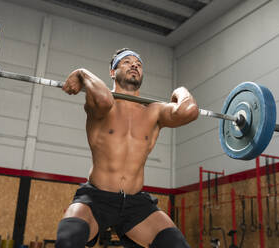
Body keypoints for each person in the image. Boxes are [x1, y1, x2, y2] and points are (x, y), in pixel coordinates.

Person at [56, 48, 199, 248]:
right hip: (96, 198)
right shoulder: (101, 104)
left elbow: (189, 110)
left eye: (138, 64)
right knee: (69, 240)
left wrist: (178, 91)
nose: (134, 65)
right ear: (112, 72)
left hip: (136, 203)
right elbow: (104, 98)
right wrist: (81, 72)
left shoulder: (154, 111)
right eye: (126, 62)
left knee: (176, 244)